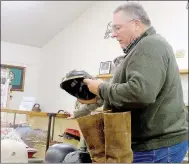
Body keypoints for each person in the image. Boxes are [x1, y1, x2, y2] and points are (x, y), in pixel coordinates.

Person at [77, 2, 188, 163]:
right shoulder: (141, 48)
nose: (114, 34)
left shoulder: (150, 45)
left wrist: (100, 88)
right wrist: (90, 102)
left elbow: (140, 93)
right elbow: (127, 90)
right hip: (151, 146)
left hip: (156, 147)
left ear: (136, 24)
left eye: (117, 28)